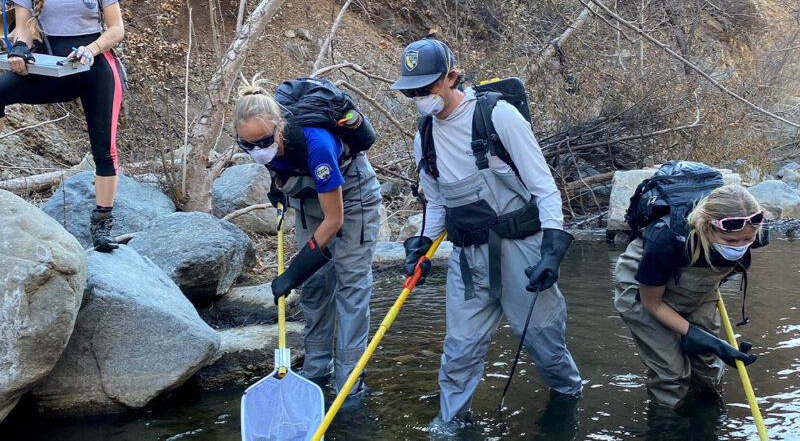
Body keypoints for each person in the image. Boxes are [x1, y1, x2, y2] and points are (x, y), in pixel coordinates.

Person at [390, 39, 582, 435]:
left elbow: (544, 187)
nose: (419, 98)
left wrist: (552, 249)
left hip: (521, 251)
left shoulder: (498, 116)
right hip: (467, 258)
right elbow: (438, 204)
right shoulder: (422, 137)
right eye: (411, 91)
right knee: (459, 350)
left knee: (544, 345)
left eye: (425, 88)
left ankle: (568, 398)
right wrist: (419, 247)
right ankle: (450, 424)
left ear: (451, 78)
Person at [231, 77, 381, 406]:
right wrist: (279, 189)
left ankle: (349, 382)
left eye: (263, 142)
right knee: (314, 288)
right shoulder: (260, 143)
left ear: (279, 127)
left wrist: (291, 273)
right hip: (307, 198)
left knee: (351, 287)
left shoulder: (317, 144)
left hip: (351, 198)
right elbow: (278, 166)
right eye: (248, 146)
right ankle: (317, 370)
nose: (257, 151)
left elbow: (335, 220)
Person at [614, 184, 766, 410]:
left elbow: (724, 272)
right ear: (707, 227)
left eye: (747, 240)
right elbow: (652, 303)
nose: (740, 247)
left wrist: (715, 345)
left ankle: (709, 417)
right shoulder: (666, 239)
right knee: (672, 373)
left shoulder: (755, 232)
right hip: (643, 289)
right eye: (731, 241)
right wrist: (695, 334)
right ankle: (667, 425)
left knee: (708, 368)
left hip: (695, 285)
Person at [0, 0, 126, 252]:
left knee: (104, 150)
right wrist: (21, 49)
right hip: (50, 66)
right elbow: (22, 29)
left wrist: (90, 49)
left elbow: (116, 30)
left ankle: (102, 224)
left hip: (94, 66)